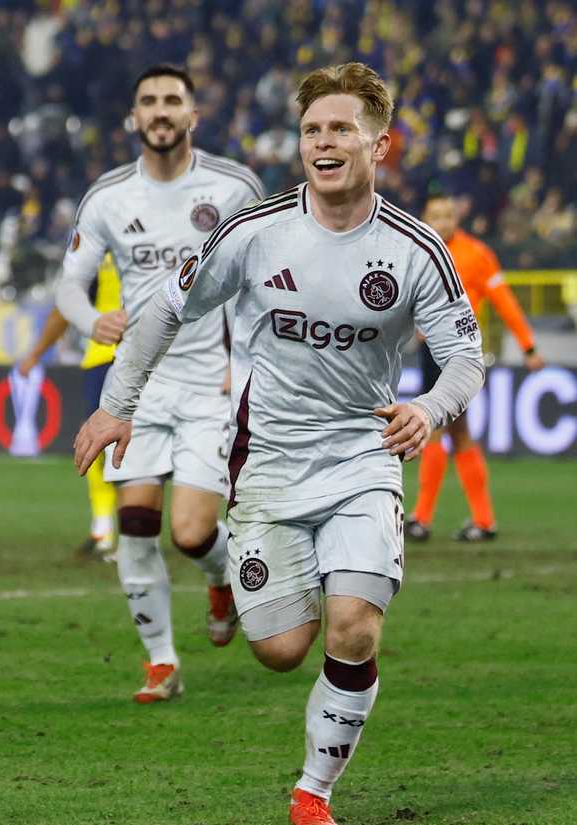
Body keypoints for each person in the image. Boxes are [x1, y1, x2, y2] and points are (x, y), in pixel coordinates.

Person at [73, 62, 484, 825]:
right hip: (266, 465)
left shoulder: (414, 249)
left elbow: (465, 352)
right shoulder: (254, 233)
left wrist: (431, 408)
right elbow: (164, 309)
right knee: (281, 647)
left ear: (379, 146)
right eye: (312, 130)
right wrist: (115, 405)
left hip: (363, 460)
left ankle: (312, 794)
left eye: (341, 130)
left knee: (355, 627)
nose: (323, 143)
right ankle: (237, 587)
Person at [55, 64, 265, 702]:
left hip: (211, 384)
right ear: (134, 117)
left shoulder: (234, 189)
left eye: (172, 100)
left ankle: (221, 575)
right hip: (136, 385)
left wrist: (249, 365)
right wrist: (96, 320)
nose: (160, 110)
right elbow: (68, 284)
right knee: (136, 521)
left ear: (193, 115)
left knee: (192, 531)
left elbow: (265, 280)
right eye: (148, 101)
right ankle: (161, 662)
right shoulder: (109, 198)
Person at [406, 193, 546, 542]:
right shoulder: (414, 249)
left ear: (458, 219)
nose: (442, 221)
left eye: (448, 214)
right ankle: (481, 520)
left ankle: (423, 519)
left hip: (458, 354)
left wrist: (528, 346)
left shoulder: (476, 254)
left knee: (438, 429)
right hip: (428, 353)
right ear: (425, 217)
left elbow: (504, 301)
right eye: (435, 215)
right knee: (456, 433)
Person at [13, 256, 124, 561]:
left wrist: (35, 353)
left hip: (108, 357)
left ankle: (117, 532)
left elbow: (66, 307)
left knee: (103, 446)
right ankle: (107, 531)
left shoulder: (99, 247)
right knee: (117, 448)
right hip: (136, 356)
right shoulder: (166, 234)